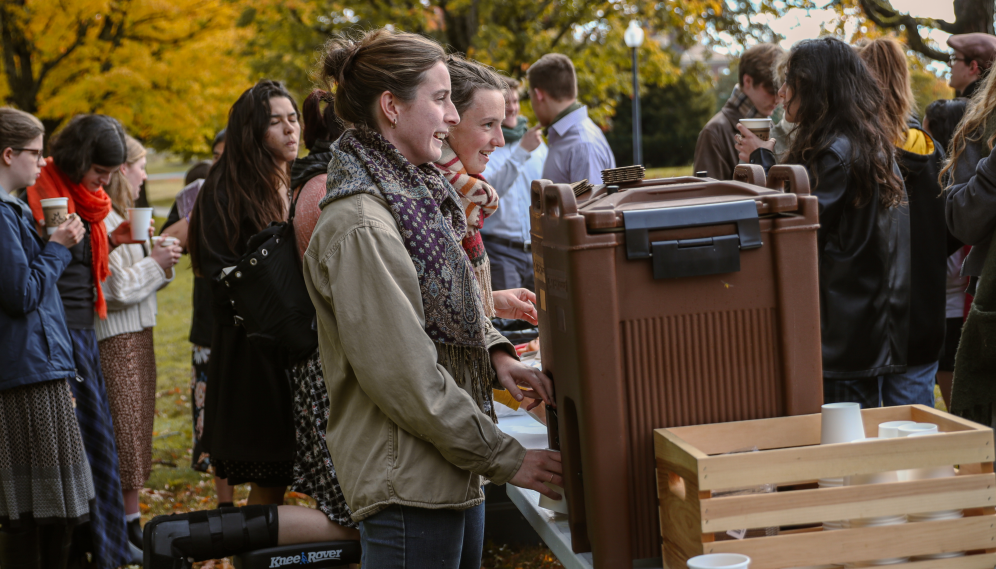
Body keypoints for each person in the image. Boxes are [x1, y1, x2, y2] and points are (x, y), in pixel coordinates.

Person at [312, 29, 560, 566]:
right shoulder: (362, 223)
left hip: (447, 462)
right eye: (441, 98)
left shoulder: (421, 195)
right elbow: (403, 373)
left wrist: (495, 354)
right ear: (391, 107)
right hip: (406, 478)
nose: (452, 117)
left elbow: (452, 304)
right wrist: (505, 457)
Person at [735, 37, 910, 408]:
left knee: (837, 445)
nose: (781, 93)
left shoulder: (835, 152)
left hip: (838, 336)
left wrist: (765, 164)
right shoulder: (866, 140)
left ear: (814, 87)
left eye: (789, 82)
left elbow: (799, 232)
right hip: (867, 329)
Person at [26, 113, 148, 569]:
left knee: (99, 448)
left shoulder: (88, 199)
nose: (104, 182)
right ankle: (95, 548)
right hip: (59, 337)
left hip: (82, 330)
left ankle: (109, 545)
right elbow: (44, 266)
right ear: (80, 159)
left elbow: (78, 261)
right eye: (99, 172)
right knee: (87, 449)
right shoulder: (43, 191)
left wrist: (111, 240)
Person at [186, 80, 300, 506]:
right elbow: (222, 281)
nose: (291, 130)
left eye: (293, 118)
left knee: (281, 475)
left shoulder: (292, 179)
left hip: (289, 347)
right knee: (270, 475)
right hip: (252, 353)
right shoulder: (224, 191)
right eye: (276, 122)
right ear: (252, 131)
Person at [0, 107, 94, 569]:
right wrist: (57, 248)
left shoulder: (12, 210)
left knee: (49, 507)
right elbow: (21, 294)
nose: (42, 165)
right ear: (7, 153)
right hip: (27, 373)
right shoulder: (0, 215)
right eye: (35, 154)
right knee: (39, 508)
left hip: (37, 364)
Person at [97, 135, 182, 549]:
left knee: (137, 428)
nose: (145, 174)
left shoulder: (123, 216)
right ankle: (124, 524)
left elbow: (142, 285)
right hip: (116, 338)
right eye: (141, 166)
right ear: (121, 170)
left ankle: (132, 518)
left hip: (139, 333)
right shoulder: (103, 221)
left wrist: (163, 261)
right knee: (124, 431)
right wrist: (154, 263)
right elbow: (113, 288)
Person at [858, 37, 948, 407]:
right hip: (923, 314)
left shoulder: (855, 152)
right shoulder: (931, 149)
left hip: (867, 323)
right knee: (917, 447)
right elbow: (951, 228)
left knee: (865, 446)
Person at [480, 75, 546, 291]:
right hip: (501, 252)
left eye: (516, 101)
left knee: (544, 320)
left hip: (538, 251)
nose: (512, 108)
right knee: (509, 323)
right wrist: (521, 153)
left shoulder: (537, 144)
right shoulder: (485, 144)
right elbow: (488, 193)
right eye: (506, 103)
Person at [693, 43, 784, 180]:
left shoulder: (773, 128)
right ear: (747, 81)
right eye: (771, 91)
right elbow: (706, 197)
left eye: (782, 92)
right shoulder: (714, 132)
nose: (778, 99)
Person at [528, 53, 615, 184]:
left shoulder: (582, 145)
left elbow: (591, 204)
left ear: (538, 95)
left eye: (530, 96)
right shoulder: (568, 138)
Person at [947, 33, 996, 99]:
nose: (949, 64)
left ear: (972, 67)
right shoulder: (989, 107)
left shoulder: (941, 108)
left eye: (954, 59)